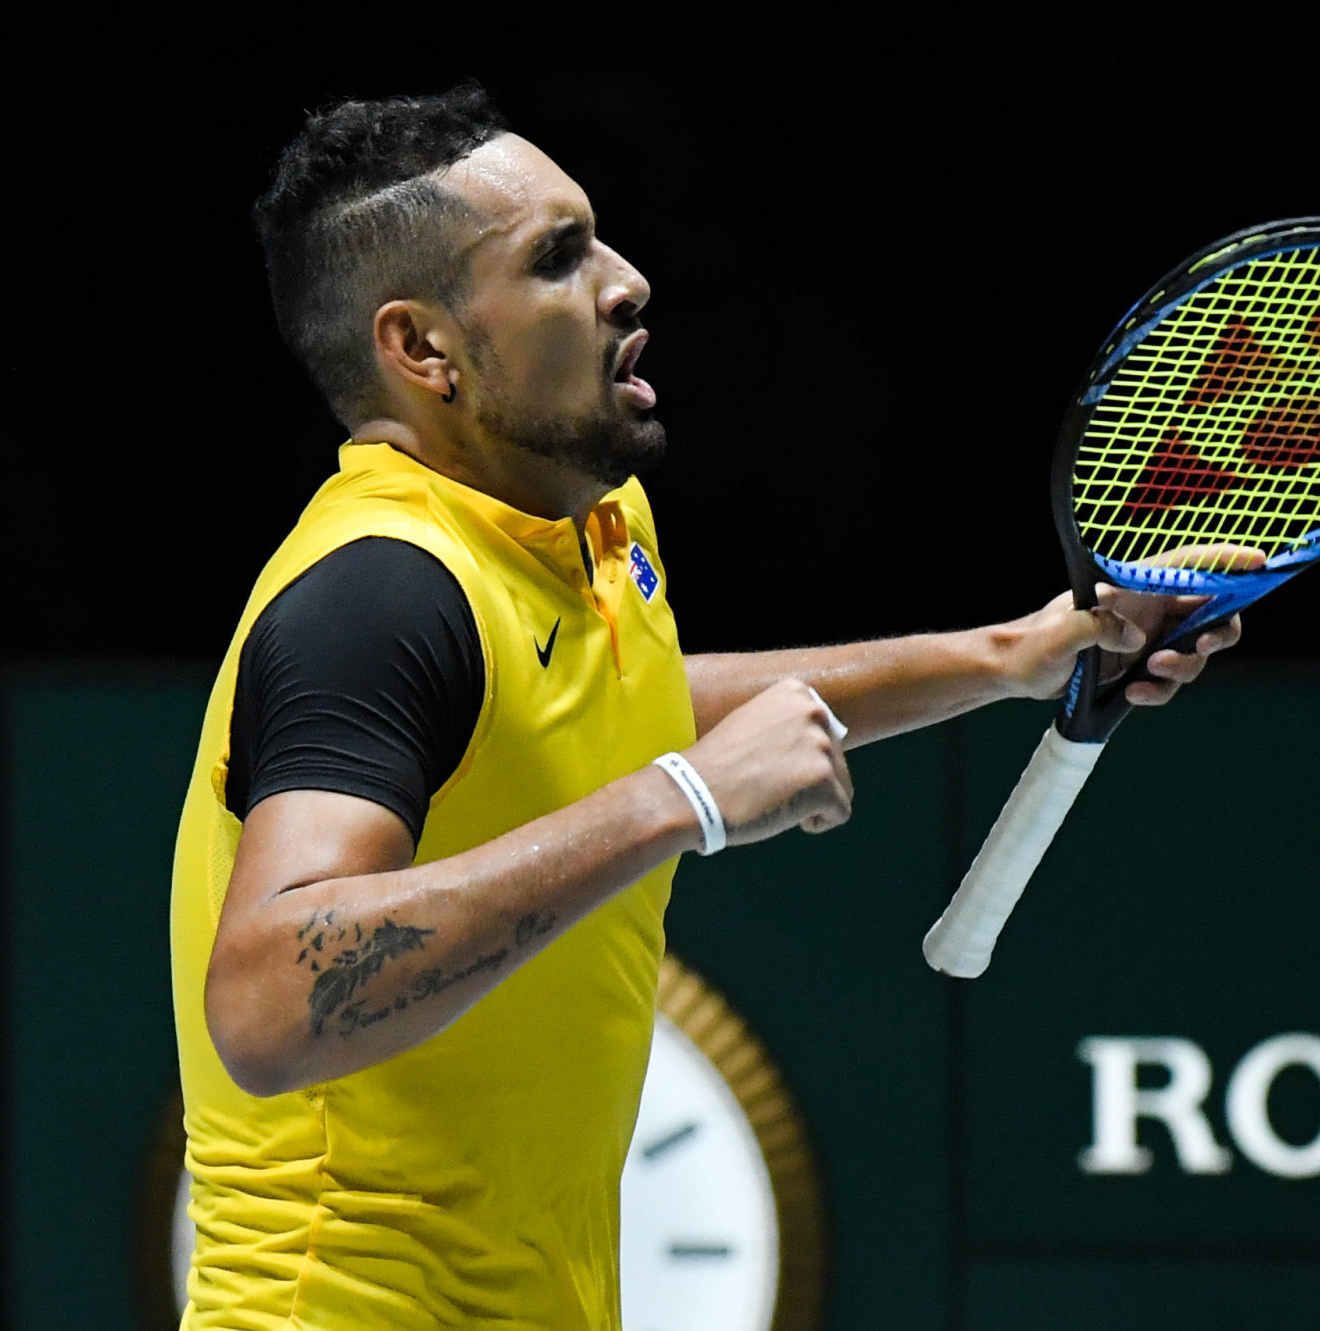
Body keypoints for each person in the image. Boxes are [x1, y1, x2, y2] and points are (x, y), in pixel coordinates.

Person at [169, 82, 1245, 1329]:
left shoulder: (584, 524)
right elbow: (267, 999)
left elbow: (585, 711)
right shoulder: (379, 594)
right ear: (423, 351)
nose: (626, 281)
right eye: (558, 259)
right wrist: (681, 801)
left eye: (600, 236)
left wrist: (1008, 654)